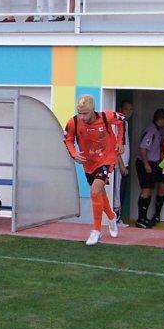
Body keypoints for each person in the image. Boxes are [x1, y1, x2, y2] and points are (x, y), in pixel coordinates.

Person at [63, 95, 125, 245]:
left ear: (92, 110)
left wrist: (120, 141)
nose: (82, 117)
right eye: (79, 113)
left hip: (107, 159)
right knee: (99, 193)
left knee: (95, 191)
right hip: (89, 162)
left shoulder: (105, 117)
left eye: (85, 113)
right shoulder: (73, 122)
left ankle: (96, 230)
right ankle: (111, 216)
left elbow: (122, 119)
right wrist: (74, 154)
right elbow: (68, 139)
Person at [134, 108, 164, 228]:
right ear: (161, 119)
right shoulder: (151, 130)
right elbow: (143, 148)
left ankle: (144, 218)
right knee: (146, 190)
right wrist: (146, 164)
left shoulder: (158, 131)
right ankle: (140, 219)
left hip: (153, 163)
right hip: (146, 163)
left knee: (149, 191)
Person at [112, 99, 132, 225]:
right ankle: (116, 219)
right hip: (119, 165)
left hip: (125, 163)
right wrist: (121, 164)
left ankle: (118, 218)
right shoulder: (117, 124)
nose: (129, 112)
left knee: (122, 190)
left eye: (131, 109)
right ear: (121, 109)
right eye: (126, 109)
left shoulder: (125, 123)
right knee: (117, 191)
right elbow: (115, 145)